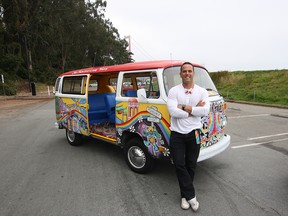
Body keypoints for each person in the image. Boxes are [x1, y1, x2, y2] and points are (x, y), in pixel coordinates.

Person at [167, 62, 210, 211]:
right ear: (180, 74)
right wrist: (194, 109)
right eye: (184, 71)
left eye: (189, 71)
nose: (187, 73)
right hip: (177, 134)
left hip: (195, 133)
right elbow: (173, 112)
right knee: (179, 164)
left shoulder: (202, 91)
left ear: (193, 73)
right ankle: (191, 196)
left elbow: (205, 111)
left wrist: (184, 107)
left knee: (191, 164)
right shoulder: (173, 91)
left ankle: (184, 196)